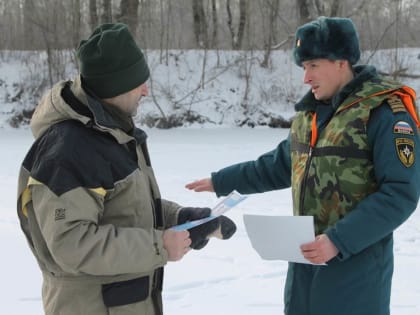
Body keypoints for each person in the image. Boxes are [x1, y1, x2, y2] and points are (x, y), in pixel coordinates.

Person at [186, 16, 420, 315]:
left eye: (313, 65)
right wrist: (220, 181)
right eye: (303, 67)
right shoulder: (310, 116)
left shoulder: (385, 113)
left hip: (357, 274)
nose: (305, 78)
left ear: (341, 62)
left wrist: (338, 240)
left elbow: (400, 193)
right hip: (304, 269)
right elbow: (278, 165)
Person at [16, 23, 236, 315]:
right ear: (113, 86)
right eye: (139, 82)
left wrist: (179, 218)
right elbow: (71, 244)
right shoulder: (69, 150)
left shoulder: (113, 134)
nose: (147, 90)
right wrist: (160, 245)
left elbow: (124, 206)